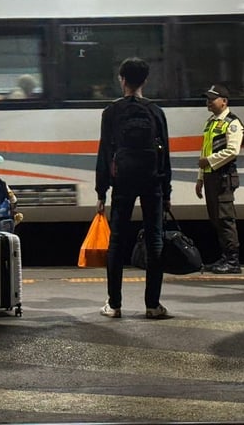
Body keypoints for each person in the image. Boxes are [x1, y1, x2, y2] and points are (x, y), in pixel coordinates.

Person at [95, 57, 172, 319]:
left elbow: (105, 153)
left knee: (117, 241)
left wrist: (101, 192)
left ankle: (114, 304)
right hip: (152, 180)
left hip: (123, 182)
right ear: (145, 80)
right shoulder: (156, 111)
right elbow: (165, 155)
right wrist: (167, 192)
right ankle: (153, 305)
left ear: (122, 79)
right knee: (154, 241)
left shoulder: (111, 112)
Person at [196, 84, 244, 274]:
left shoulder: (232, 123)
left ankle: (233, 261)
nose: (208, 102)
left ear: (224, 101)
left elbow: (233, 151)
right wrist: (200, 178)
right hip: (211, 176)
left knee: (225, 219)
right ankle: (225, 257)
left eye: (212, 99)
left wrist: (209, 161)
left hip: (223, 177)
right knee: (216, 218)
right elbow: (204, 150)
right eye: (207, 99)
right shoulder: (210, 122)